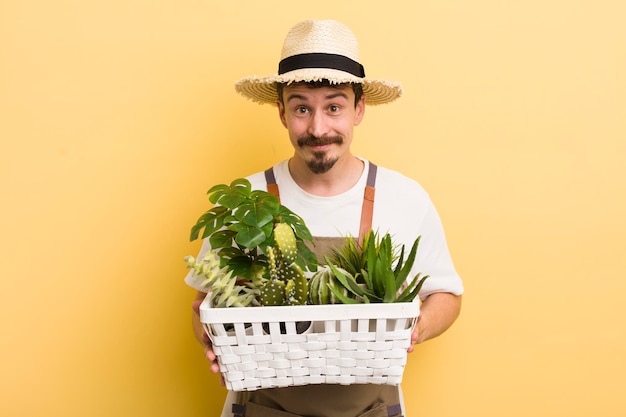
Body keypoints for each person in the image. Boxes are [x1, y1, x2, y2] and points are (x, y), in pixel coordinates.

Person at [186, 19, 464, 417]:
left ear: (359, 110)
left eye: (334, 107)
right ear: (282, 113)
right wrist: (211, 339)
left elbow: (447, 296)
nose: (318, 128)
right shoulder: (243, 204)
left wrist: (412, 329)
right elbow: (203, 305)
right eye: (302, 108)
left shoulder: (404, 197)